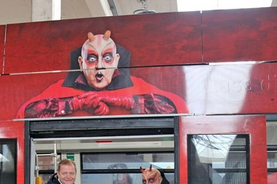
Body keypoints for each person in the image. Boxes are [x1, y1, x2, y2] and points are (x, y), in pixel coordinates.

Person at [17, 30, 188, 118]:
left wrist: (124, 101)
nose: (100, 66)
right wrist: (75, 104)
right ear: (80, 63)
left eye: (106, 58)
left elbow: (178, 108)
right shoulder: (61, 89)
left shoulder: (137, 85)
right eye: (92, 58)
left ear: (116, 60)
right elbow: (25, 114)